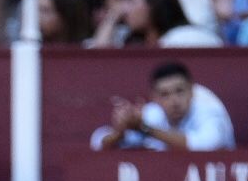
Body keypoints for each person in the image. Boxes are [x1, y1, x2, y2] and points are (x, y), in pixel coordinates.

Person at [91, 60, 235, 151]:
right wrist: (120, 132)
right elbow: (97, 142)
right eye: (165, 94)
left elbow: (205, 146)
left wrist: (145, 129)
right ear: (155, 98)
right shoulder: (153, 114)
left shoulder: (209, 110)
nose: (174, 101)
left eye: (179, 91)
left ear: (191, 91)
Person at [93, 0, 223, 48]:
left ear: (153, 5)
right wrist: (112, 17)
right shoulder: (128, 40)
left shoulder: (188, 37)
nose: (123, 9)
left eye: (130, 0)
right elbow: (100, 60)